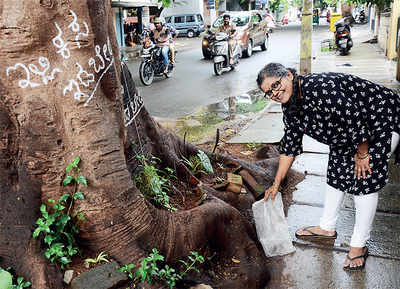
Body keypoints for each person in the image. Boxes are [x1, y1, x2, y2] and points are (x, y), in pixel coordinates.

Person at [257, 63, 400, 271]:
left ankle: (359, 245)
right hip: (348, 131)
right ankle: (326, 228)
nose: (275, 93)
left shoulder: (318, 88)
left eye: (276, 85)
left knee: (364, 179)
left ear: (288, 75)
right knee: (336, 175)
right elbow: (289, 147)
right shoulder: (290, 108)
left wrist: (362, 154)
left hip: (380, 118)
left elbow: (355, 117)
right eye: (268, 92)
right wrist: (276, 183)